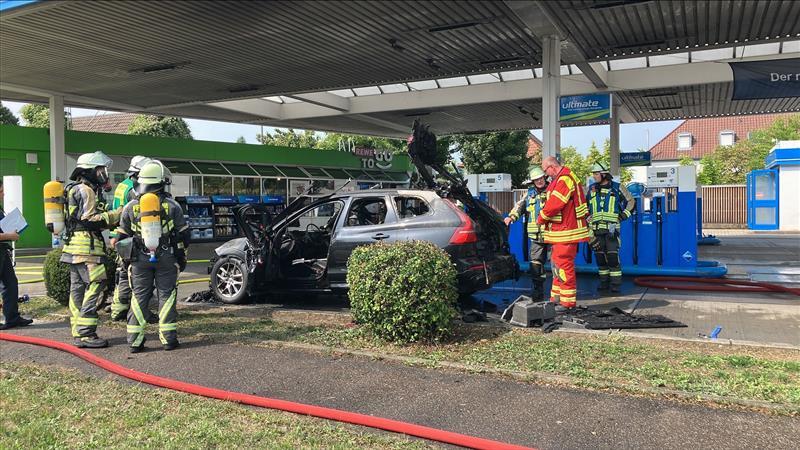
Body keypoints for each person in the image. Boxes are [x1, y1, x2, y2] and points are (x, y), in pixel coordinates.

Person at [115, 160, 189, 353]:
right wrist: (181, 258)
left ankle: (135, 340)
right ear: (161, 182)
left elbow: (121, 238)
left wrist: (125, 262)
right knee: (166, 295)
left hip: (139, 259)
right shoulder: (173, 206)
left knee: (138, 297)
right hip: (166, 257)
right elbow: (184, 235)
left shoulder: (131, 206)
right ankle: (168, 339)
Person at [60, 151, 120, 348]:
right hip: (87, 250)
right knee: (97, 285)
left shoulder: (73, 188)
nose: (103, 173)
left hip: (72, 248)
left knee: (77, 290)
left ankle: (78, 331)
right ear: (90, 171)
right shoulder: (86, 190)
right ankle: (87, 333)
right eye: (100, 169)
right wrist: (116, 215)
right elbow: (89, 220)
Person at [536, 156, 590, 311]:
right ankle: (557, 298)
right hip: (562, 231)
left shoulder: (564, 179)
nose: (546, 175)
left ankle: (567, 303)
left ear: (552, 166)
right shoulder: (562, 178)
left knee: (563, 266)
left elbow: (555, 204)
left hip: (566, 231)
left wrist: (541, 218)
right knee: (557, 265)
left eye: (546, 171)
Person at [108, 156, 152, 321]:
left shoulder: (122, 185)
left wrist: (114, 235)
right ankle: (138, 311)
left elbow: (118, 211)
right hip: (134, 237)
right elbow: (134, 214)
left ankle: (118, 309)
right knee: (136, 276)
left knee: (123, 272)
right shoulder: (136, 188)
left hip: (121, 235)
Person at [586, 162, 635, 293]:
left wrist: (623, 215)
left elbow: (631, 202)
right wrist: (586, 221)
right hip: (596, 230)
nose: (594, 177)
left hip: (612, 230)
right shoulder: (591, 189)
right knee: (600, 259)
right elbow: (584, 208)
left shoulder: (618, 188)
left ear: (604, 174)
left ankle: (616, 284)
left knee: (613, 258)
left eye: (596, 174)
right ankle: (603, 283)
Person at [504, 167, 550, 301]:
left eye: (541, 178)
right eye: (536, 180)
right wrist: (511, 217)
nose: (539, 181)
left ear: (544, 178)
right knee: (535, 264)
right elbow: (519, 207)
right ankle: (538, 292)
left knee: (557, 265)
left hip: (553, 234)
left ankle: (558, 294)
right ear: (533, 182)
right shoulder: (529, 194)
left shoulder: (553, 191)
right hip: (536, 236)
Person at [0, 179, 34, 330]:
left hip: (2, 250)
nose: (3, 193)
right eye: (1, 191)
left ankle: (12, 318)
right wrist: (9, 236)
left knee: (10, 283)